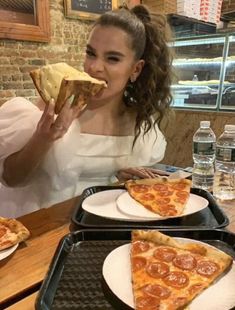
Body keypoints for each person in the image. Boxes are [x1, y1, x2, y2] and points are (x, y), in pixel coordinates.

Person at [0, 4, 173, 218]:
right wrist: (43, 137)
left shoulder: (139, 122)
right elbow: (11, 179)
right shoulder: (55, 104)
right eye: (91, 54)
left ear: (135, 69)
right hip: (44, 226)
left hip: (101, 225)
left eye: (112, 58)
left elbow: (110, 189)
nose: (94, 67)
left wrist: (121, 180)